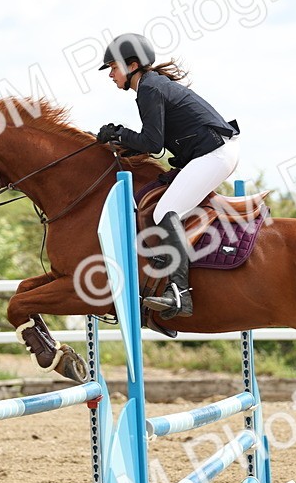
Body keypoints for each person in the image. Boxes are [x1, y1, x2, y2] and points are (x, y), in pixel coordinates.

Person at [95, 32, 240, 319]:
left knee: (165, 211)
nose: (111, 75)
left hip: (214, 155)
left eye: (113, 67)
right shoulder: (150, 85)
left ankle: (181, 295)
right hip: (210, 153)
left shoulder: (149, 88)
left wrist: (120, 133)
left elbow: (152, 144)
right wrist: (118, 138)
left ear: (132, 65)